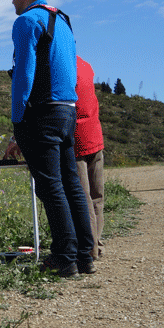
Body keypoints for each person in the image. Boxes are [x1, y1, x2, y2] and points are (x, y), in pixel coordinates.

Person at [9, 0, 95, 277]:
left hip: (41, 113)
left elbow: (24, 74)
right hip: (67, 110)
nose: (11, 0)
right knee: (71, 183)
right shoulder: (62, 20)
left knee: (50, 186)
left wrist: (17, 120)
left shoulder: (26, 21)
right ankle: (84, 255)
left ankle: (63, 257)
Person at [74, 55, 105, 260]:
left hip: (76, 140)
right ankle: (98, 244)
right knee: (97, 197)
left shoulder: (61, 66)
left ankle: (89, 249)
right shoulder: (85, 65)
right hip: (95, 135)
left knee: (83, 198)